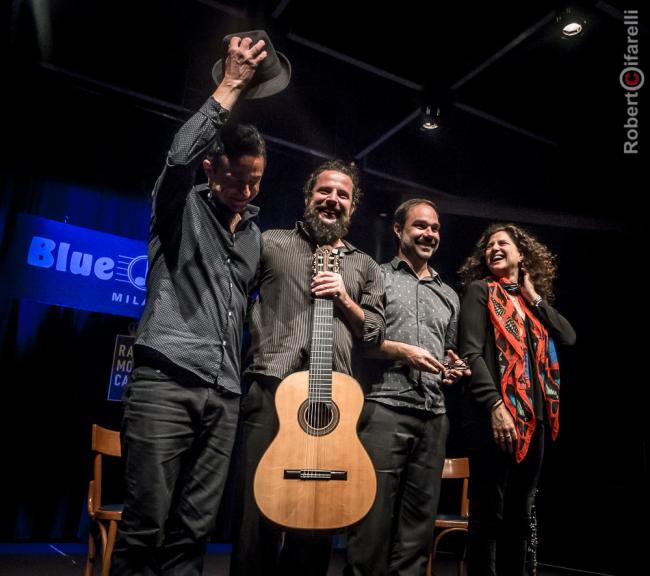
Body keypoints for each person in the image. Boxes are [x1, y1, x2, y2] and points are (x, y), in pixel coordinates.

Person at [110, 31, 288, 575]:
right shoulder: (178, 207)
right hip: (165, 382)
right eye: (237, 179)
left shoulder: (257, 236)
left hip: (225, 395)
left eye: (255, 182)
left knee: (192, 534)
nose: (247, 191)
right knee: (144, 529)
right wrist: (233, 85)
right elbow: (180, 153)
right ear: (212, 171)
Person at [229, 159, 385, 576]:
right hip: (270, 387)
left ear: (352, 208)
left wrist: (345, 299)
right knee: (255, 516)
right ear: (308, 197)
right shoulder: (271, 242)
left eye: (343, 195)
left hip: (330, 403)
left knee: (317, 519)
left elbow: (373, 332)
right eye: (324, 191)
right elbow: (232, 295)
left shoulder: (365, 266)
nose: (332, 200)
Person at [344, 198, 469, 576]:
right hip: (384, 407)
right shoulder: (376, 276)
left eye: (434, 229)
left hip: (433, 415)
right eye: (420, 226)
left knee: (417, 530)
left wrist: (452, 368)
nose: (429, 234)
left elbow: (448, 351)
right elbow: (362, 341)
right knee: (372, 521)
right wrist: (406, 353)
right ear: (399, 230)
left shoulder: (449, 295)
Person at [458, 223, 576, 576]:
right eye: (489, 244)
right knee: (488, 514)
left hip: (534, 420)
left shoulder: (532, 305)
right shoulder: (481, 291)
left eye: (503, 243)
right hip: (492, 418)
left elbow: (568, 337)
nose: (494, 248)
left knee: (519, 516)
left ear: (521, 254)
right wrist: (496, 406)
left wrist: (532, 295)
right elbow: (471, 354)